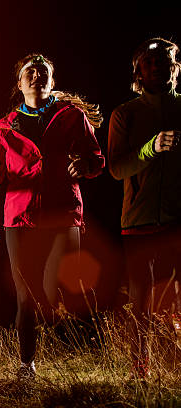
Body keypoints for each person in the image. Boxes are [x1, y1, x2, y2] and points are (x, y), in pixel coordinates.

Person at [0, 54, 104, 379]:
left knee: (58, 286)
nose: (36, 75)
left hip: (63, 213)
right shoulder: (5, 127)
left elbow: (95, 157)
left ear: (52, 81)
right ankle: (27, 364)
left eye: (43, 71)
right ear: (19, 84)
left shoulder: (72, 116)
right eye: (29, 72)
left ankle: (77, 346)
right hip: (20, 217)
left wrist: (86, 166)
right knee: (26, 295)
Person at [108, 38, 181, 378]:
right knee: (140, 304)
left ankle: (175, 367)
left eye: (163, 60)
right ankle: (141, 369)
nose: (156, 66)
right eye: (149, 62)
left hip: (177, 223)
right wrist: (151, 147)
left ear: (174, 67)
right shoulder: (125, 114)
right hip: (137, 224)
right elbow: (117, 168)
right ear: (138, 71)